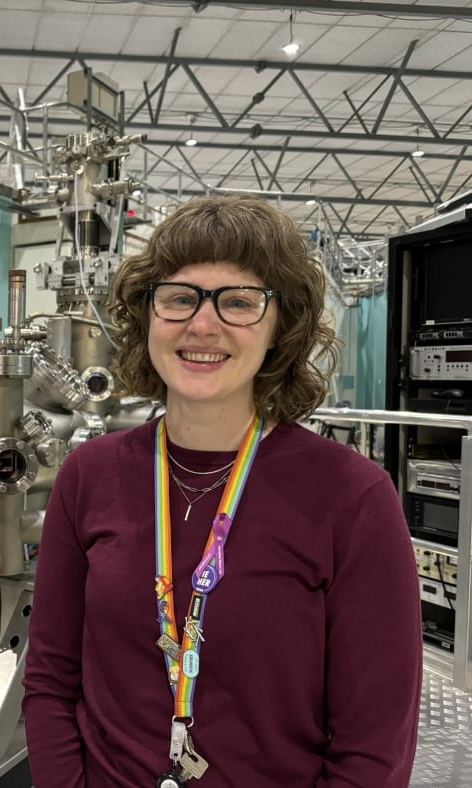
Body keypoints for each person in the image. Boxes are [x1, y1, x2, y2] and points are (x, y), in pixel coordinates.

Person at [22, 193, 422, 787]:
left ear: (280, 327)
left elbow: (375, 744)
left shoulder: (352, 496)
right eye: (180, 298)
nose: (202, 325)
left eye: (239, 302)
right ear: (147, 315)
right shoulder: (90, 475)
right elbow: (50, 679)